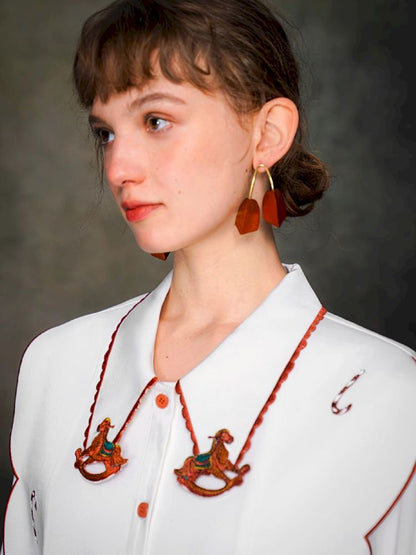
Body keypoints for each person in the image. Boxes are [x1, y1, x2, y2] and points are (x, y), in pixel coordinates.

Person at [3, 0, 415, 553]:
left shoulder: (388, 397)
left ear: (267, 134)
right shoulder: (55, 365)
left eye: (156, 121)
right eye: (106, 133)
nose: (118, 168)